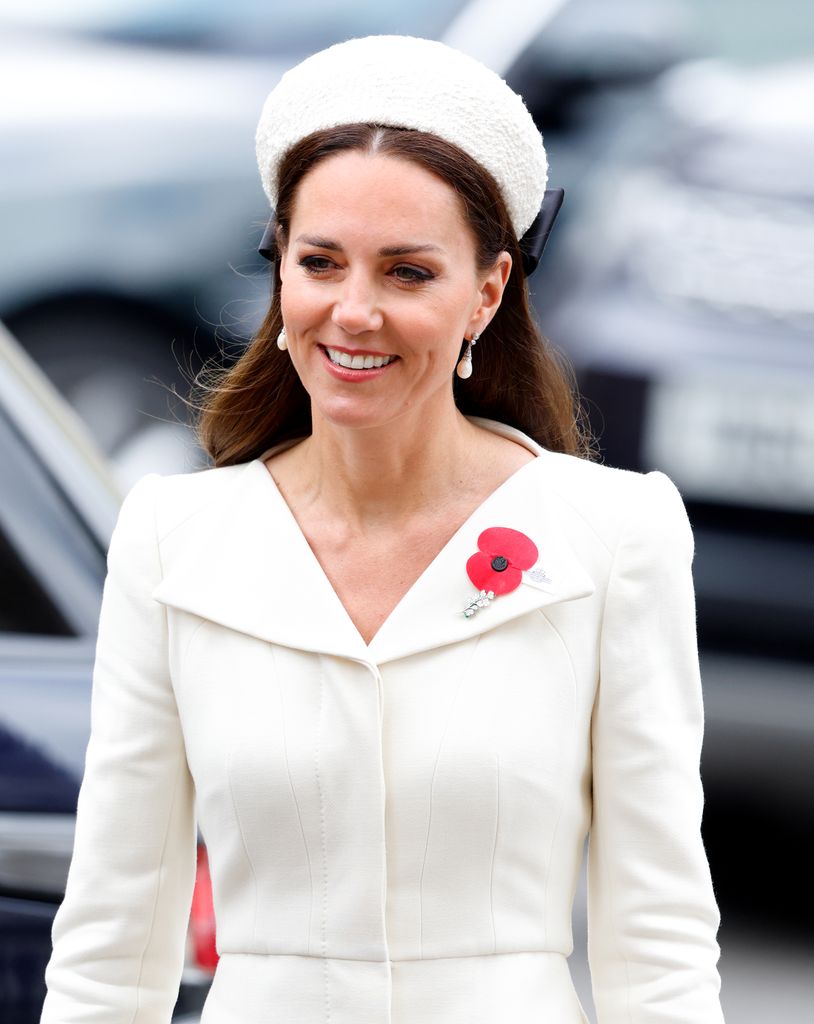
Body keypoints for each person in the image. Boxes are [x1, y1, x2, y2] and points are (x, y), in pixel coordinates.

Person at [40, 34, 725, 1024]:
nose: (352, 310)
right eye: (320, 262)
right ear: (281, 274)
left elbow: (658, 947)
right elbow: (110, 943)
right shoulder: (173, 537)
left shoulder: (613, 534)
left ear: (486, 292)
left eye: (407, 273)